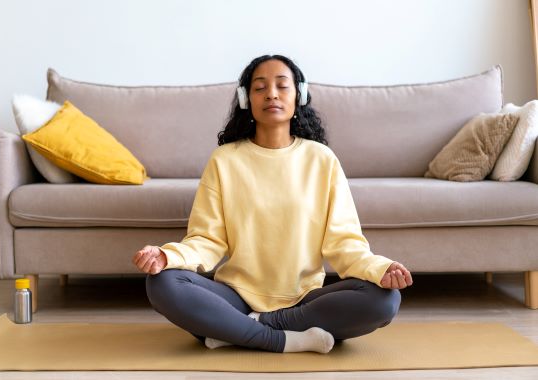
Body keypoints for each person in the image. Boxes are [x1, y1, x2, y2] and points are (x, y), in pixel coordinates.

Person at [132, 54, 413, 354]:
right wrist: (166, 256)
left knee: (385, 299)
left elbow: (345, 243)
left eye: (282, 85)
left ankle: (238, 328)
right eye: (260, 87)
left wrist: (379, 268)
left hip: (304, 298)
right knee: (162, 283)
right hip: (235, 295)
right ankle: (283, 340)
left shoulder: (322, 160)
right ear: (245, 98)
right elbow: (205, 240)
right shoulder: (225, 160)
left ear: (299, 96)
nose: (272, 94)